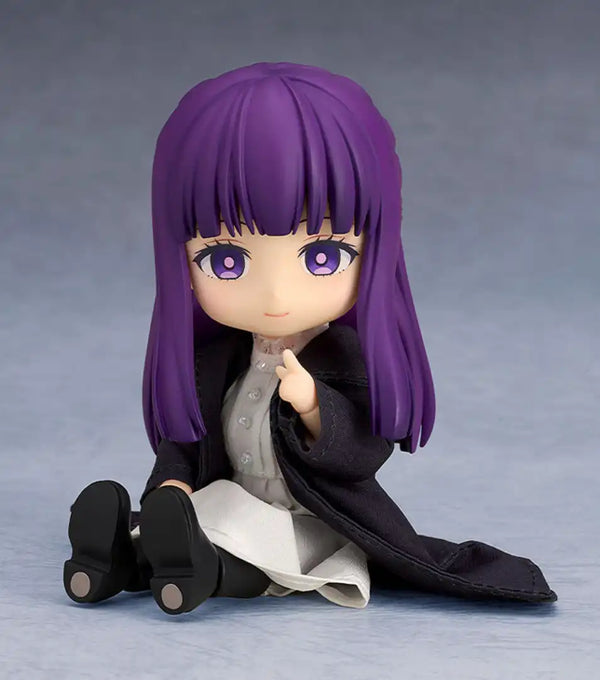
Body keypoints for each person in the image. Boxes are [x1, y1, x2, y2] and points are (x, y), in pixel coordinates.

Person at [64, 62, 556, 615]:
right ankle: (111, 562)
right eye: (226, 261)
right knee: (191, 520)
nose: (276, 294)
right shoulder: (217, 361)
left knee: (252, 545)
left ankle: (198, 573)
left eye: (323, 256)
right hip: (226, 496)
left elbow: (363, 453)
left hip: (310, 517)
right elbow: (188, 441)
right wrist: (172, 484)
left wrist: (314, 406)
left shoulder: (345, 360)